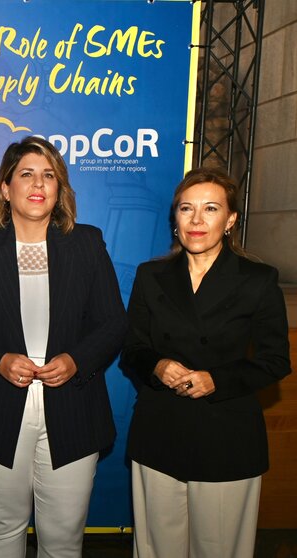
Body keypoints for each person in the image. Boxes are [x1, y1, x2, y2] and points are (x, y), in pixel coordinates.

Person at [0, 136, 127, 557]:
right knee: (2, 529)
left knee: (64, 539)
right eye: (26, 173)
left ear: (59, 188)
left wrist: (75, 360)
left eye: (49, 175)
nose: (38, 183)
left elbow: (113, 323)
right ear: (5, 187)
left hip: (73, 406)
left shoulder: (86, 243)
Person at [122, 168, 291, 558]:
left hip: (227, 435)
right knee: (156, 548)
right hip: (159, 429)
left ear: (230, 220)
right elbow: (132, 347)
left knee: (219, 549)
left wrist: (217, 379)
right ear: (175, 219)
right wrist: (158, 366)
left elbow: (274, 360)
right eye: (187, 209)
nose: (197, 220)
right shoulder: (151, 276)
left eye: (210, 208)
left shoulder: (258, 279)